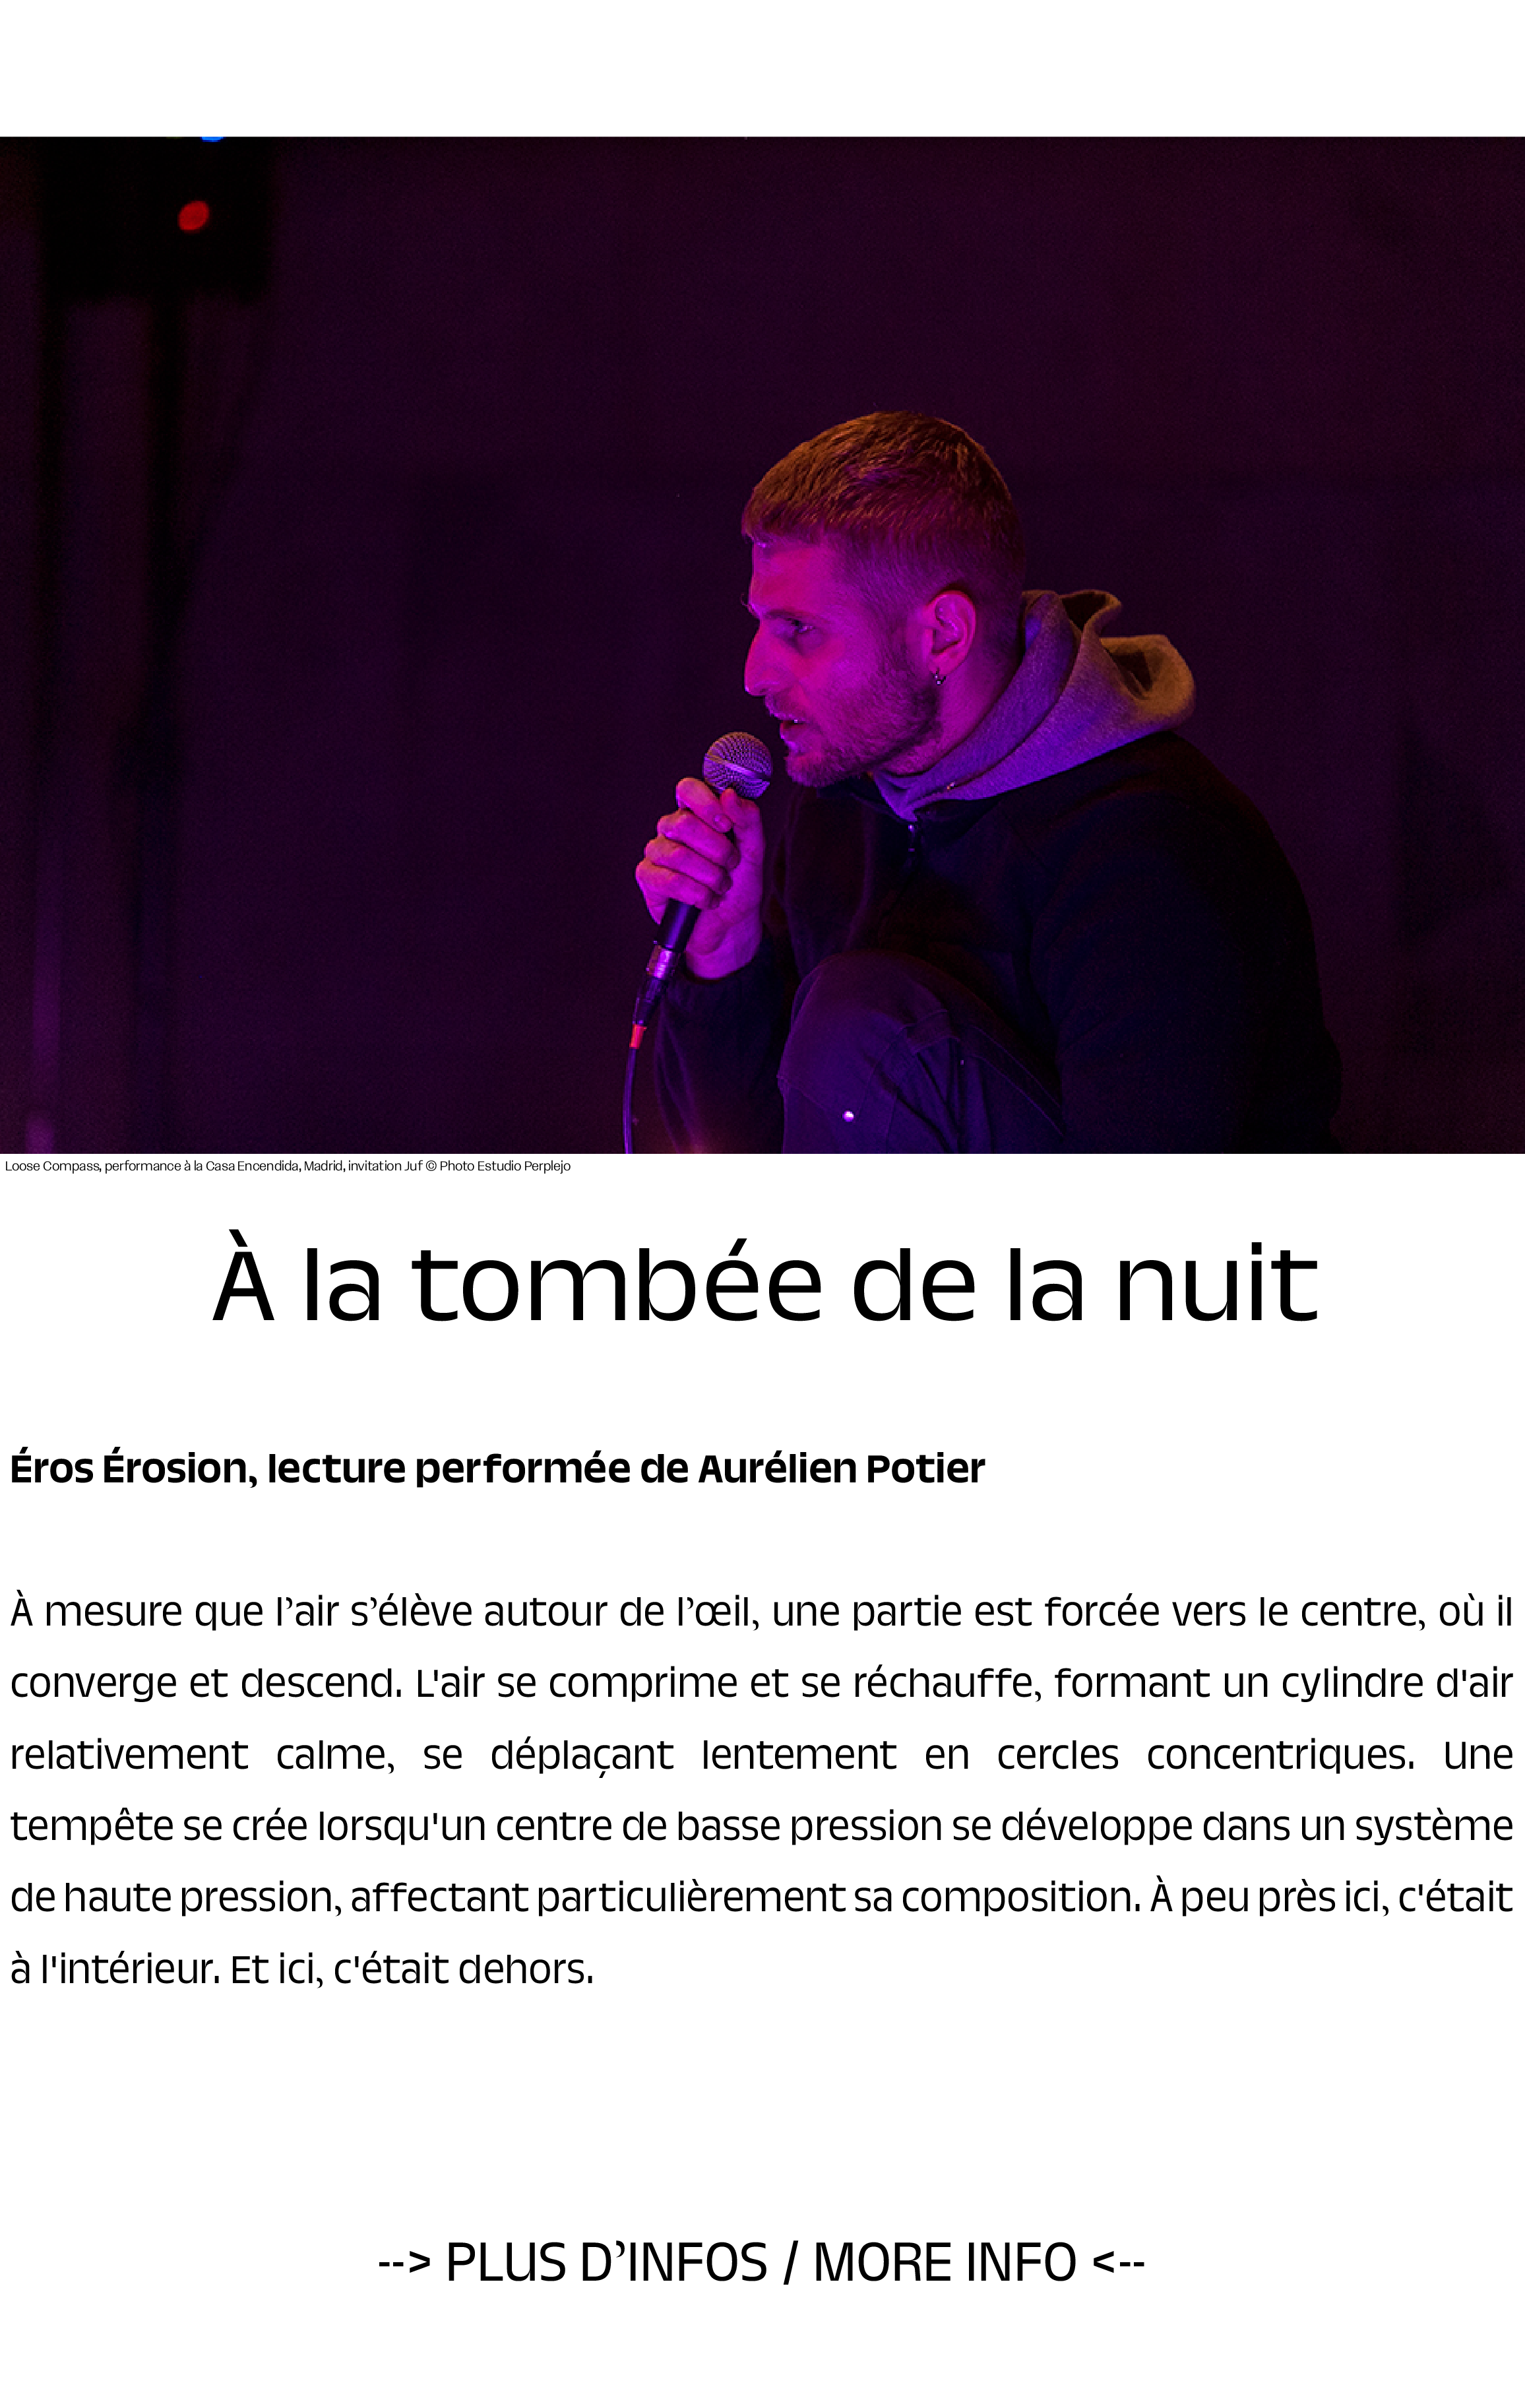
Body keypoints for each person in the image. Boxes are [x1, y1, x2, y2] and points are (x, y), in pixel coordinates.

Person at [635, 411, 1340, 1153]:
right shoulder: (836, 810)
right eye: (759, 624)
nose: (756, 674)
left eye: (800, 630)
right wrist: (723, 956)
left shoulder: (1148, 850)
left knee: (863, 1022)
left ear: (942, 634)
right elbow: (745, 1163)